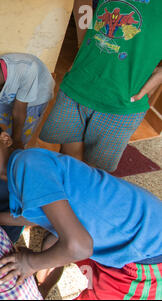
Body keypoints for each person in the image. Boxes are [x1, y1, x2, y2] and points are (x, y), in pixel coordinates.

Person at [0, 119, 162, 300]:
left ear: (5, 139)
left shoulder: (27, 164)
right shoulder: (21, 169)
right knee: (51, 244)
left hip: (146, 252)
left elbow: (79, 246)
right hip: (125, 235)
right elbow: (33, 218)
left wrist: (30, 263)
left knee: (63, 256)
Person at [39, 0, 162, 172]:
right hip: (79, 83)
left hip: (122, 101)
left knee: (94, 171)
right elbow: (82, 2)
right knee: (68, 159)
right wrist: (82, 42)